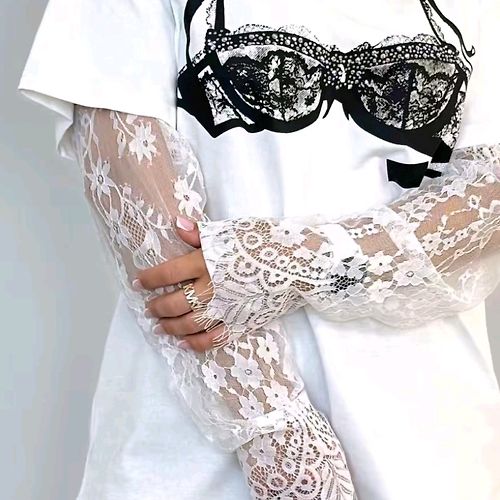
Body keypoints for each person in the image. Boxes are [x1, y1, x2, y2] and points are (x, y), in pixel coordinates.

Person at [18, 0, 500, 499]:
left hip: (430, 431)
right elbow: (134, 192)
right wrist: (273, 427)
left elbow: (490, 199)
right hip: (197, 438)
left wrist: (285, 261)